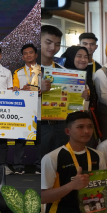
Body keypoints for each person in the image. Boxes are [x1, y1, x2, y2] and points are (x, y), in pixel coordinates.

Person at [41, 112, 107, 213]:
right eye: (80, 127)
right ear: (68, 131)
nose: (86, 131)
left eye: (89, 126)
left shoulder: (98, 155)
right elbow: (43, 197)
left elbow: (104, 188)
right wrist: (72, 185)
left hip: (95, 211)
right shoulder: (52, 158)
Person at [5, 43, 39, 174]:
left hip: (39, 109)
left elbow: (46, 90)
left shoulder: (43, 71)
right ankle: (18, 166)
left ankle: (39, 166)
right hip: (22, 110)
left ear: (36, 55)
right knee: (20, 139)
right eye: (25, 53)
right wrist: (18, 90)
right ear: (22, 57)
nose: (28, 55)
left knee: (38, 140)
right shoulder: (17, 73)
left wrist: (34, 89)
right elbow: (14, 90)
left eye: (30, 52)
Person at [40, 25, 69, 159]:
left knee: (58, 164)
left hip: (60, 125)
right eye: (48, 42)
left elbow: (69, 98)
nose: (53, 48)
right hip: (38, 126)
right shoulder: (24, 70)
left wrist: (82, 97)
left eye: (57, 44)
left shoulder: (63, 71)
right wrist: (36, 90)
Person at [80, 33, 104, 139]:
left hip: (95, 110)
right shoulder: (72, 65)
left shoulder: (99, 67)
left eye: (92, 44)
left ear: (96, 47)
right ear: (79, 45)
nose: (88, 47)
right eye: (85, 44)